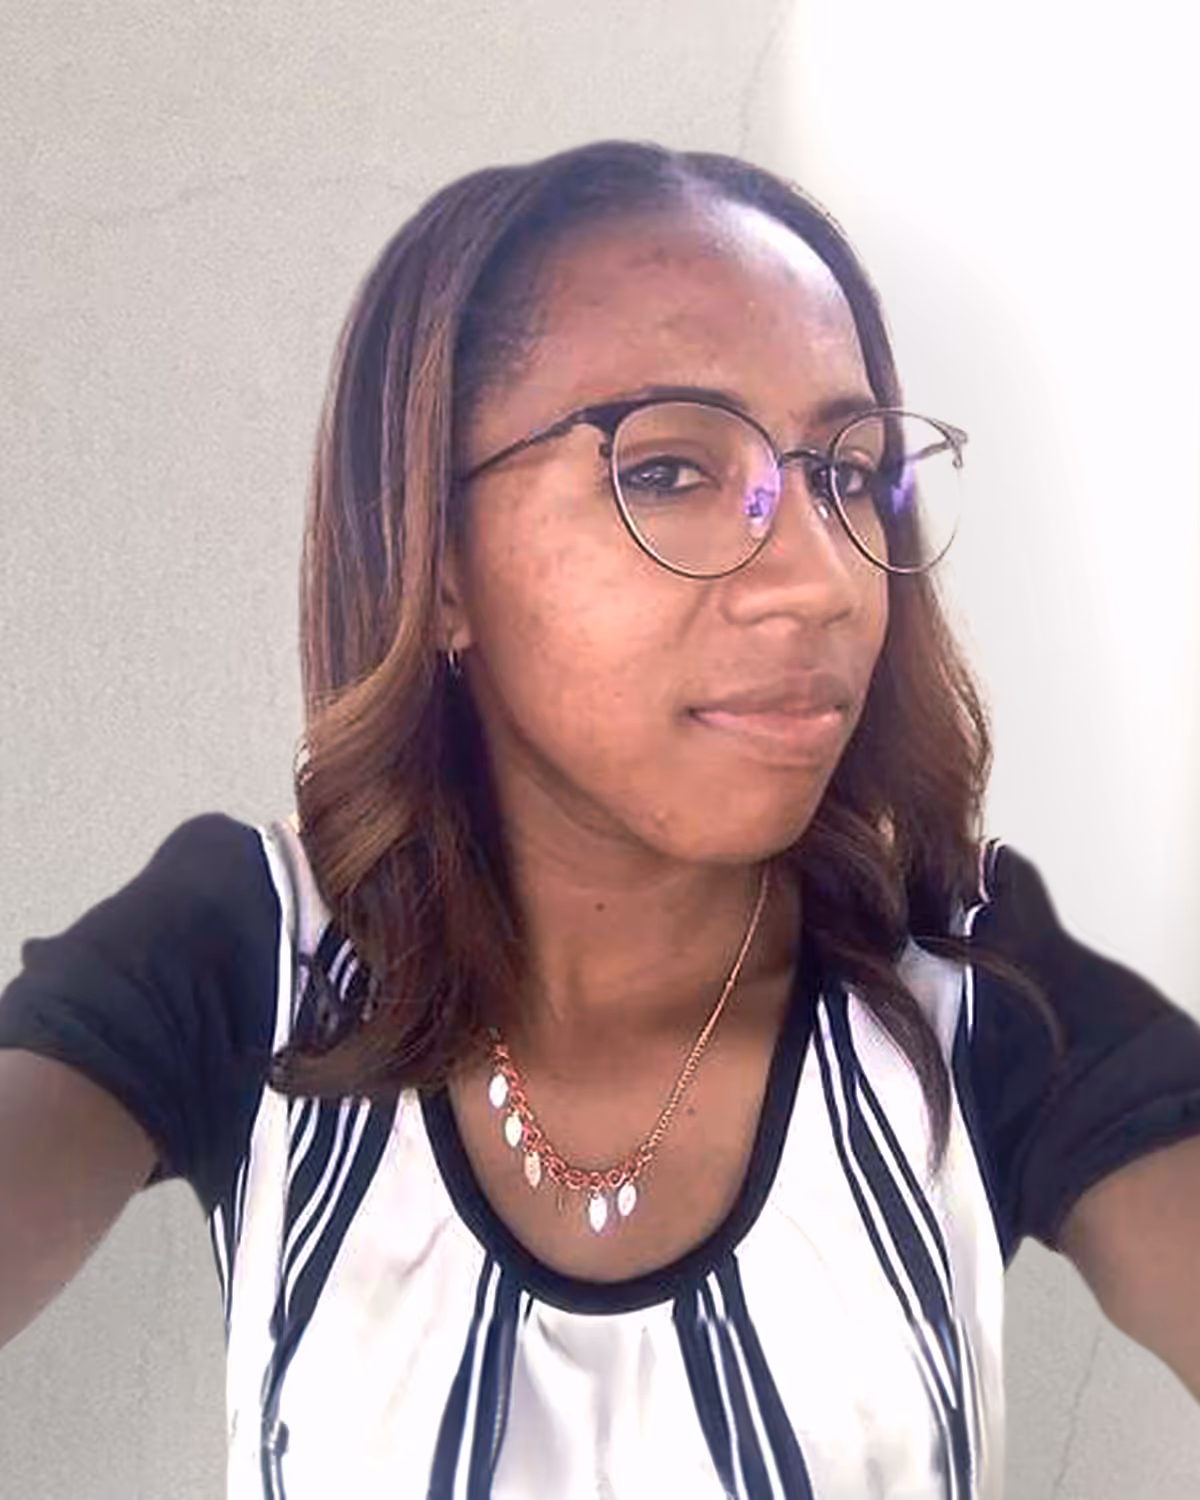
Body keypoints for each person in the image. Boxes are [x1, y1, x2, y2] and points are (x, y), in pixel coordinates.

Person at [1, 141, 1197, 1500]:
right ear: (437, 563)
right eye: (676, 471)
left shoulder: (969, 977)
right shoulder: (249, 955)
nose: (821, 581)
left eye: (849, 476)